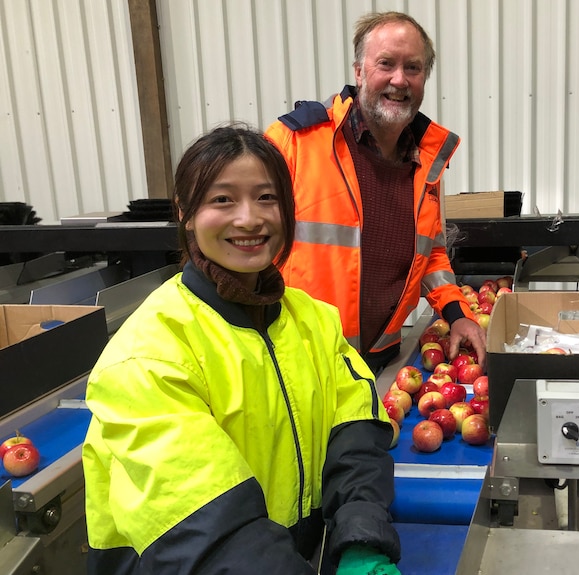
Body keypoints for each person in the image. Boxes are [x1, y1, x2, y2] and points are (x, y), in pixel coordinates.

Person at [82, 124, 401, 575]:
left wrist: (361, 539)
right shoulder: (149, 355)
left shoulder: (315, 322)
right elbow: (205, 527)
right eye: (222, 199)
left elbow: (355, 435)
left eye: (267, 197)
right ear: (186, 214)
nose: (250, 218)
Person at [265, 11, 486, 374]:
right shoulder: (295, 141)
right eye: (386, 63)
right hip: (301, 363)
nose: (399, 79)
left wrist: (457, 312)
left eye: (412, 68)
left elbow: (429, 254)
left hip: (381, 363)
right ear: (358, 71)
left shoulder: (425, 160)